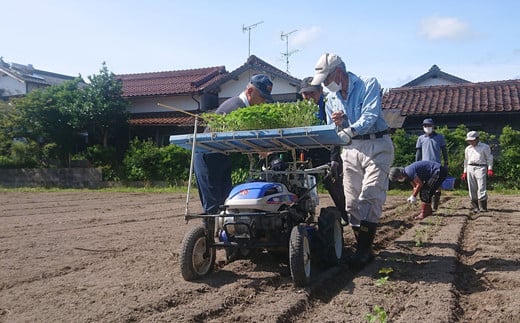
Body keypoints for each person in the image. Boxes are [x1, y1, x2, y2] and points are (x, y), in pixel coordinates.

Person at [310, 53, 395, 269]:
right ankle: (364, 246)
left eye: (327, 80)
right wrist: (338, 124)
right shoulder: (331, 99)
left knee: (370, 196)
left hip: (376, 145)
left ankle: (363, 251)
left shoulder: (368, 84)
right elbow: (334, 129)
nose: (327, 86)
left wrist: (346, 128)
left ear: (338, 72)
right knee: (351, 203)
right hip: (350, 148)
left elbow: (369, 117)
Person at [194, 74, 274, 231]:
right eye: (262, 97)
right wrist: (256, 148)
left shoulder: (243, 108)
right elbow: (239, 138)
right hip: (208, 157)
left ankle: (229, 240)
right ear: (250, 91)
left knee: (226, 202)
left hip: (222, 156)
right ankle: (208, 247)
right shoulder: (235, 107)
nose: (263, 102)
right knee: (212, 206)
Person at [299, 77, 347, 224]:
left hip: (328, 152)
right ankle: (307, 217)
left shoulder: (328, 104)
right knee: (305, 189)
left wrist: (334, 159)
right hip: (309, 154)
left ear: (320, 91)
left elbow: (334, 133)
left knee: (335, 187)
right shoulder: (301, 110)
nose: (308, 97)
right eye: (305, 94)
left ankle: (347, 216)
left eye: (311, 93)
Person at [415, 118, 449, 211]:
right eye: (425, 125)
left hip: (436, 165)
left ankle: (435, 205)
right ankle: (427, 205)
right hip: (424, 166)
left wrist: (446, 162)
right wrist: (416, 163)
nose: (427, 127)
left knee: (437, 186)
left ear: (433, 126)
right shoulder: (421, 138)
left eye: (429, 125)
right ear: (423, 127)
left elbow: (444, 150)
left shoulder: (439, 137)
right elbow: (418, 152)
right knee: (426, 186)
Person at [461, 131, 494, 212]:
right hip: (470, 167)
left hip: (481, 167)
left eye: (472, 140)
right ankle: (475, 206)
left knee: (481, 186)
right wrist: (465, 171)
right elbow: (466, 160)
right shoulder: (468, 149)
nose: (471, 142)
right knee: (472, 187)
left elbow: (489, 158)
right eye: (469, 141)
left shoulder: (484, 147)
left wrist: (490, 168)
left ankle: (483, 206)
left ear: (477, 139)